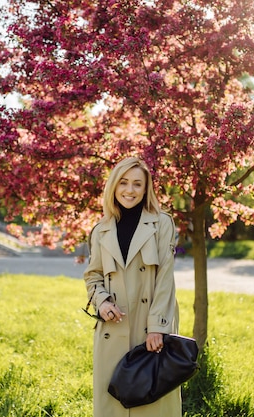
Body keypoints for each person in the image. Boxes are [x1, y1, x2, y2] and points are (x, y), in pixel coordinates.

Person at [83, 157, 181, 417]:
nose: (130, 190)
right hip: (112, 329)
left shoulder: (162, 223)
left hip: (149, 328)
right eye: (124, 182)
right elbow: (93, 276)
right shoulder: (100, 230)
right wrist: (102, 302)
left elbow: (165, 279)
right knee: (112, 405)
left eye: (137, 184)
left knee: (152, 404)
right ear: (113, 186)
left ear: (146, 188)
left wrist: (158, 327)